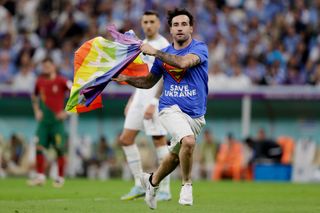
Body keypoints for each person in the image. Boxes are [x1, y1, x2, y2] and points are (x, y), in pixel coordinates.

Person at [113, 8, 208, 209]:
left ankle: (152, 182)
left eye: (184, 24)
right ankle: (187, 185)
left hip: (196, 115)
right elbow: (149, 82)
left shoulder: (199, 49)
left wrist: (155, 52)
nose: (180, 28)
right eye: (175, 25)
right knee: (188, 142)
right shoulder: (164, 56)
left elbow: (183, 63)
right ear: (171, 29)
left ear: (191, 27)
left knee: (173, 156)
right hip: (169, 109)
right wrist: (125, 78)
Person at [119, 10, 171, 201]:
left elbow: (167, 77)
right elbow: (143, 75)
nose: (148, 25)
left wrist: (155, 101)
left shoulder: (164, 46)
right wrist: (133, 99)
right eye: (145, 22)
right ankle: (139, 185)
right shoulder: (140, 45)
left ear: (158, 24)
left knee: (159, 141)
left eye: (152, 21)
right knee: (125, 139)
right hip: (139, 99)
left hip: (154, 101)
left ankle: (165, 190)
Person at [27, 57, 70, 188]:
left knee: (59, 149)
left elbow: (77, 93)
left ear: (54, 67)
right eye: (44, 66)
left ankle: (60, 178)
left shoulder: (62, 81)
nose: (45, 69)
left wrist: (66, 112)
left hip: (57, 122)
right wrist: (37, 110)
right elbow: (34, 95)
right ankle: (40, 177)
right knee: (39, 147)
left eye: (48, 66)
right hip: (44, 122)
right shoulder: (39, 81)